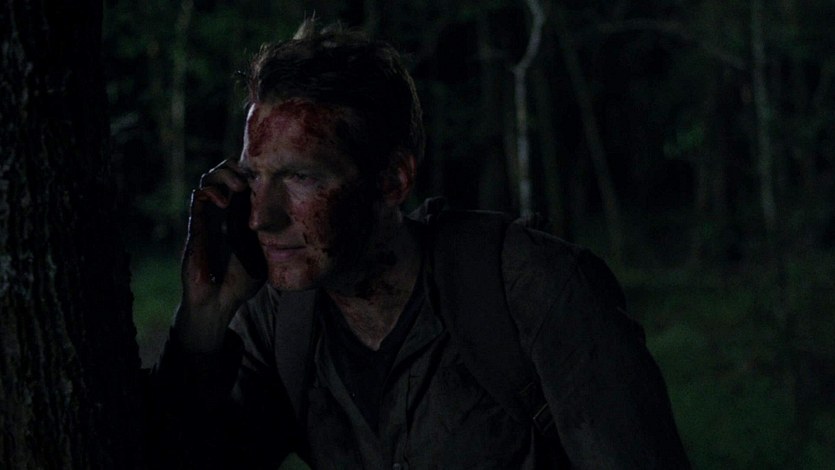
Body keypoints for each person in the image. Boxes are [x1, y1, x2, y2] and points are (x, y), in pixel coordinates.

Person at [153, 19, 690, 469]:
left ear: (392, 181)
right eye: (253, 177)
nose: (261, 217)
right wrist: (203, 317)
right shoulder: (276, 322)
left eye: (301, 177)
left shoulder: (534, 290)